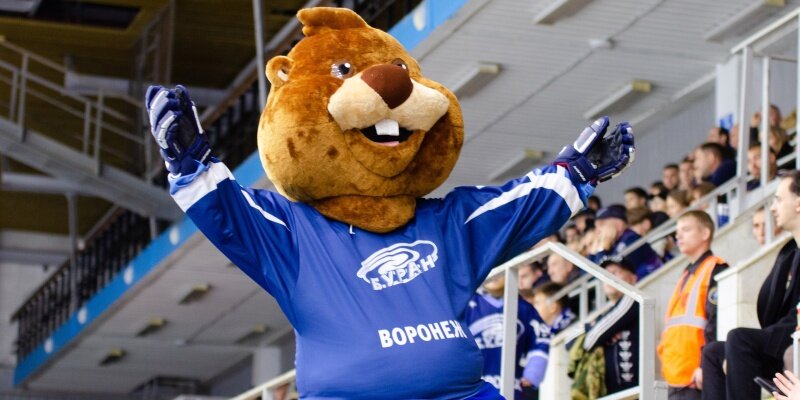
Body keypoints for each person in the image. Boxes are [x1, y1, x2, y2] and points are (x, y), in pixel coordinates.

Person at [146, 65, 633, 398]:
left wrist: (576, 173)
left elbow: (515, 206)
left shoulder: (445, 221)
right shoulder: (294, 231)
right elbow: (231, 211)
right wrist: (190, 163)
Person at [701, 170, 800, 400]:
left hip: (794, 336)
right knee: (714, 352)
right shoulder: (789, 254)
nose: (773, 207)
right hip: (787, 337)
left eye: (778, 199)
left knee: (739, 339)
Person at [657, 210, 728, 400]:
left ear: (705, 233)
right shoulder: (687, 273)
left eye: (686, 229)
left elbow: (717, 322)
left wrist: (706, 366)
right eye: (677, 232)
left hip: (697, 377)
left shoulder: (715, 269)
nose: (678, 236)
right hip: (677, 375)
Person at [466, 275, 545, 399]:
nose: (495, 275)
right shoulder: (466, 306)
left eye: (499, 267)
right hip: (476, 391)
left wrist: (532, 374)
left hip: (514, 389)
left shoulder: (524, 308)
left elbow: (541, 340)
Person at [580, 256, 640, 395]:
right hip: (610, 394)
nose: (609, 277)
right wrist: (591, 327)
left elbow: (589, 340)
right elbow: (569, 341)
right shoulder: (604, 314)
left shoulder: (632, 301)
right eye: (605, 274)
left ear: (633, 278)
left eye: (615, 272)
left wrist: (592, 328)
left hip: (632, 394)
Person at [589, 205, 662, 279]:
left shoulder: (631, 238)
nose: (597, 231)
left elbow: (609, 274)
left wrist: (602, 248)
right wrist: (596, 251)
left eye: (601, 225)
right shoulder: (613, 245)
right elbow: (591, 277)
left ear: (619, 224)